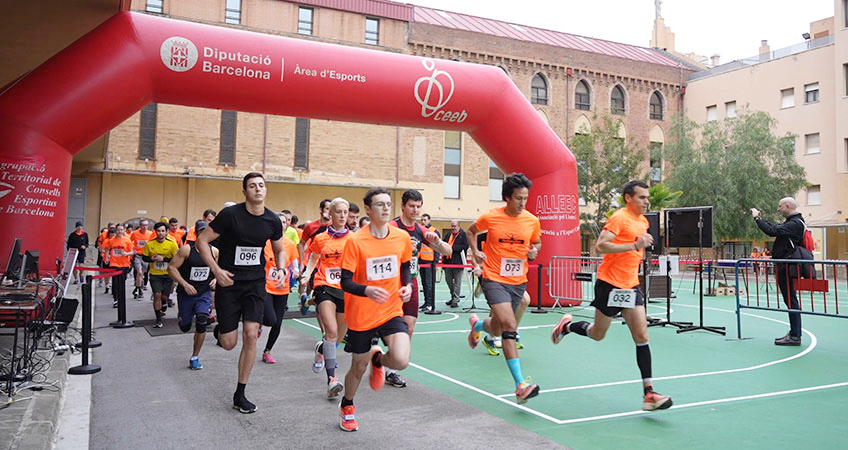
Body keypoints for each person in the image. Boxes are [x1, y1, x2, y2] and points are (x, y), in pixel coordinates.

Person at [551, 180, 673, 412]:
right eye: (642, 197)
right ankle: (566, 327)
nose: (647, 201)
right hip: (610, 284)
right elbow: (601, 246)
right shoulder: (620, 217)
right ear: (629, 198)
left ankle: (649, 394)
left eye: (647, 197)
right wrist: (634, 244)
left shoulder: (643, 221)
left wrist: (639, 249)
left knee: (642, 335)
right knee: (598, 334)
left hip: (631, 285)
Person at [196, 172, 286, 414]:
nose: (258, 189)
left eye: (261, 185)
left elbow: (279, 249)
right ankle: (221, 329)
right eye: (252, 186)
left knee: (250, 334)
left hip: (255, 285)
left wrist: (280, 268)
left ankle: (240, 393)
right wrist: (216, 271)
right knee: (228, 343)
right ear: (244, 191)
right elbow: (202, 241)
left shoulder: (272, 220)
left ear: (266, 190)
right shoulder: (230, 215)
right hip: (229, 284)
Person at [337, 188, 413, 432]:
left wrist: (408, 286)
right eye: (379, 204)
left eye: (388, 204)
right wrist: (367, 290)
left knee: (401, 359)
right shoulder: (355, 240)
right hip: (361, 314)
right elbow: (345, 281)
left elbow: (404, 269)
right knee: (358, 368)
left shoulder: (401, 237)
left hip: (390, 308)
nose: (385, 208)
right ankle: (347, 405)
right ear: (368, 209)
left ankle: (378, 360)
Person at [465, 173, 541, 404]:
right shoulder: (492, 217)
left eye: (525, 199)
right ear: (507, 197)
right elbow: (471, 231)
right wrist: (476, 252)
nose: (522, 203)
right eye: (518, 198)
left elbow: (536, 242)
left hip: (518, 281)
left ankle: (478, 325)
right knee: (509, 325)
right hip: (494, 278)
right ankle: (520, 385)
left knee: (497, 329)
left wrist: (534, 251)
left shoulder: (531, 221)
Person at [387, 190, 451, 387]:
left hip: (410, 283)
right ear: (403, 207)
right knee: (387, 326)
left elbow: (448, 251)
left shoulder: (420, 230)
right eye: (412, 206)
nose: (415, 210)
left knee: (410, 327)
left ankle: (392, 369)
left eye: (418, 206)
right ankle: (382, 355)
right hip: (389, 283)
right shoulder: (391, 227)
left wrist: (436, 241)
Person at [300, 198, 352, 398]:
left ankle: (322, 349)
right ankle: (332, 379)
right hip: (324, 287)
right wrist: (306, 274)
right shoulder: (321, 238)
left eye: (345, 212)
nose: (341, 216)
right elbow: (313, 257)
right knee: (331, 331)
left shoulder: (354, 239)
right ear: (330, 214)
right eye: (338, 212)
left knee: (338, 337)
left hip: (345, 290)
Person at [751, 197, 806, 346]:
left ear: (787, 206)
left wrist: (757, 218)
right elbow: (775, 229)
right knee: (790, 299)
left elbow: (772, 231)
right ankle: (794, 333)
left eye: (780, 206)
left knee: (791, 300)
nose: (779, 209)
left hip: (787, 266)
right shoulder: (793, 222)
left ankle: (795, 335)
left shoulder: (795, 224)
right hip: (784, 265)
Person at [168, 220, 218, 370]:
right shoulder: (186, 250)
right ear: (196, 234)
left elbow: (218, 267)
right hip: (186, 293)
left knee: (202, 322)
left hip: (204, 293)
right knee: (185, 326)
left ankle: (195, 356)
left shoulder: (214, 251)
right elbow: (171, 268)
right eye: (201, 232)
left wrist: (215, 278)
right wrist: (185, 284)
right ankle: (182, 317)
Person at [260, 213, 299, 365]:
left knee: (278, 322)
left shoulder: (290, 244)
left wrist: (296, 270)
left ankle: (267, 351)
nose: (282, 224)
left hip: (282, 287)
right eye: (279, 222)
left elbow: (294, 261)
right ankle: (259, 323)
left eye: (284, 222)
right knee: (270, 319)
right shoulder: (265, 242)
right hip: (266, 286)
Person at [142, 222, 180, 328]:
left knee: (164, 296)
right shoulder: (150, 244)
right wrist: (152, 259)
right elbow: (144, 257)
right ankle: (158, 319)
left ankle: (164, 302)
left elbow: (177, 259)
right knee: (157, 295)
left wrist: (164, 259)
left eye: (163, 231)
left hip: (168, 274)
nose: (160, 233)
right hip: (155, 274)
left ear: (167, 232)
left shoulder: (172, 244)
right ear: (155, 232)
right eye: (158, 231)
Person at [103, 224, 134, 308]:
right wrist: (106, 257)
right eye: (118, 230)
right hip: (114, 263)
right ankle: (116, 299)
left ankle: (121, 298)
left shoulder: (127, 240)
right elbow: (107, 249)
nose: (119, 231)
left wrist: (126, 253)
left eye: (121, 230)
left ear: (124, 231)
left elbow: (132, 252)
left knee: (122, 281)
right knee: (115, 282)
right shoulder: (111, 240)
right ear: (116, 231)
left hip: (124, 264)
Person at [443, 219, 469, 308]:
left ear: (459, 226)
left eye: (454, 226)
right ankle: (453, 296)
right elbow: (443, 245)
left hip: (458, 262)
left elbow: (465, 246)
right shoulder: (447, 235)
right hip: (448, 261)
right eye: (452, 226)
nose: (453, 228)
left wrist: (452, 248)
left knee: (457, 282)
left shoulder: (463, 235)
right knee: (448, 280)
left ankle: (455, 300)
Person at [418, 213, 440, 313]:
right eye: (422, 220)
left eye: (425, 220)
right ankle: (426, 303)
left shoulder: (434, 231)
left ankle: (430, 304)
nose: (423, 222)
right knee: (424, 283)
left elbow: (437, 248)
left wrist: (435, 262)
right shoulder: (419, 230)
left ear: (429, 220)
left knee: (429, 283)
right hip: (421, 260)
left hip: (430, 261)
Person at [130, 219, 155, 299]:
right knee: (139, 272)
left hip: (146, 256)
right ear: (140, 226)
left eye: (146, 225)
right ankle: (139, 288)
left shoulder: (150, 234)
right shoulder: (135, 233)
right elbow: (129, 241)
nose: (145, 227)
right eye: (143, 225)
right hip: (137, 256)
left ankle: (138, 288)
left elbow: (153, 243)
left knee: (143, 274)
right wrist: (132, 250)